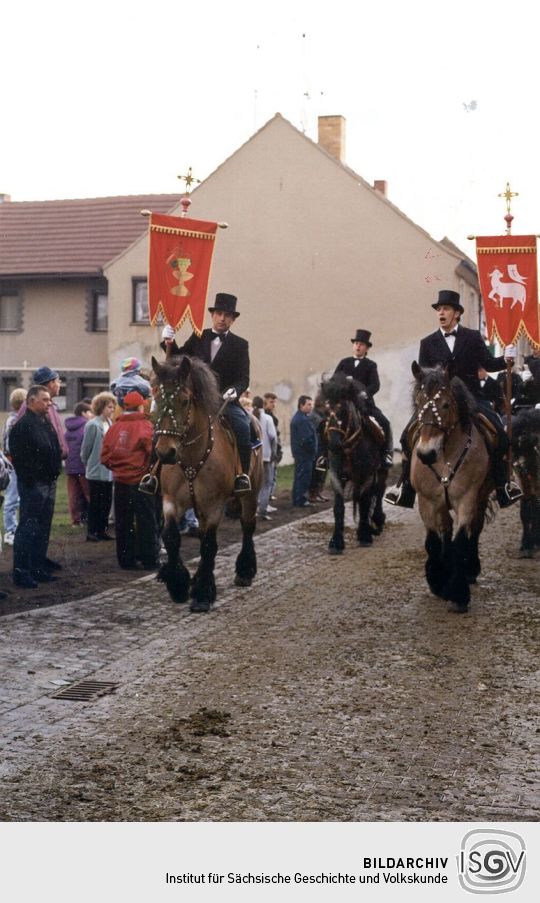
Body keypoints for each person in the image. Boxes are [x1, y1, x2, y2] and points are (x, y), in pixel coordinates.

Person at [384, 289, 522, 508]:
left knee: (501, 435)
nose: (441, 313)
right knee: (406, 436)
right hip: (439, 400)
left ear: (456, 313)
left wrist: (506, 357)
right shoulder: (427, 342)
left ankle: (503, 485)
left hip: (473, 398)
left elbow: (488, 364)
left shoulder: (472, 337)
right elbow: (423, 378)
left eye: (446, 309)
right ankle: (404, 487)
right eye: (438, 309)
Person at [161, 292, 252, 493]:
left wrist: (234, 391)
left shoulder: (240, 344)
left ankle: (242, 475)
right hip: (196, 401)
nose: (222, 318)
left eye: (227, 315)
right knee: (165, 424)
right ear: (212, 315)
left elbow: (244, 378)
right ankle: (153, 473)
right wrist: (169, 341)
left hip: (224, 402)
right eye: (219, 313)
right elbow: (178, 359)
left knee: (244, 427)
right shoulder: (198, 335)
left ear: (233, 319)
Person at [9, 385, 62, 588]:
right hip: (34, 485)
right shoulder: (22, 426)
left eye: (50, 400)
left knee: (43, 527)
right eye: (45, 400)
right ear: (31, 401)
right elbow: (20, 460)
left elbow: (54, 448)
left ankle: (38, 567)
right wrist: (33, 480)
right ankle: (21, 571)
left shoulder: (45, 421)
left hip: (48, 483)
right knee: (29, 527)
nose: (49, 403)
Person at [101, 391, 159, 570]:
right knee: (147, 520)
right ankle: (149, 559)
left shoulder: (114, 427)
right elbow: (153, 452)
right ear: (141, 405)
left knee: (123, 521)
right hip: (141, 481)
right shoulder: (145, 426)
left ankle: (126, 560)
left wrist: (118, 469)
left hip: (120, 482)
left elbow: (104, 457)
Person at [334, 328, 394, 466]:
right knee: (328, 424)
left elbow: (375, 385)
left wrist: (364, 393)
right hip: (345, 405)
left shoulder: (370, 365)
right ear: (353, 346)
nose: (358, 346)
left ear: (366, 348)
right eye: (356, 343)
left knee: (385, 423)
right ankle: (324, 456)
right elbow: (334, 381)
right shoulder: (344, 363)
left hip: (365, 405)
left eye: (361, 344)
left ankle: (387, 453)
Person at [80, 392, 116, 542]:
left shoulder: (110, 423)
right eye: (109, 406)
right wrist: (86, 461)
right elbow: (86, 447)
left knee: (106, 502)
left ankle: (102, 530)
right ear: (101, 407)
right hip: (96, 469)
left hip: (108, 470)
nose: (112, 409)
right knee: (96, 502)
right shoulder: (92, 424)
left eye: (113, 406)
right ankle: (92, 531)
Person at [16, 366, 68, 459]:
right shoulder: (30, 406)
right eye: (58, 381)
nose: (60, 384)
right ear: (51, 383)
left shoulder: (51, 406)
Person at [2, 387, 27, 546]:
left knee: (17, 497)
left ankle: (15, 528)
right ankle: (10, 530)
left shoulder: (14, 419)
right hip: (14, 463)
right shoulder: (14, 420)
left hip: (16, 462)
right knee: (12, 498)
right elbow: (10, 444)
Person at [64, 402, 93, 526]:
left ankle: (75, 520)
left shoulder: (69, 428)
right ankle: (94, 518)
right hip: (83, 466)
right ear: (83, 413)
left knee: (73, 495)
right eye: (89, 411)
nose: (91, 414)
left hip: (70, 466)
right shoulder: (87, 426)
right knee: (89, 493)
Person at [290, 395, 318, 507]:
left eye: (311, 404)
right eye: (308, 404)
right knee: (303, 477)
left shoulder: (301, 417)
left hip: (301, 454)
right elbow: (306, 439)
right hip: (304, 454)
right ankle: (300, 500)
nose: (311, 407)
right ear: (301, 405)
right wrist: (312, 450)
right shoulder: (301, 419)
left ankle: (298, 498)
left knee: (300, 476)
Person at [252, 395, 277, 519]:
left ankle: (254, 507)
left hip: (254, 456)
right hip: (266, 456)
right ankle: (262, 510)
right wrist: (274, 452)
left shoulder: (249, 417)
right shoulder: (267, 418)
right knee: (267, 484)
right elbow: (273, 437)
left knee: (255, 484)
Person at [263, 392, 282, 504]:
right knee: (268, 478)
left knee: (272, 475)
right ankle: (266, 499)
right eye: (271, 402)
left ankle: (269, 495)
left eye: (274, 402)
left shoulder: (271, 415)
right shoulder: (266, 417)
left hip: (273, 449)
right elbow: (272, 436)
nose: (273, 404)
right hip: (269, 450)